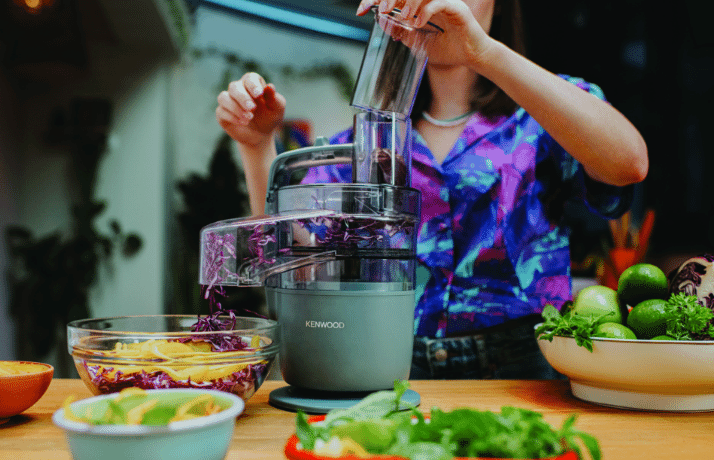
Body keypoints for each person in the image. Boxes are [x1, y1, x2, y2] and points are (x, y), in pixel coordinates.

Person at [215, 0, 648, 379]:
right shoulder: (364, 145)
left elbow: (628, 163)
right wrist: (258, 147)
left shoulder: (541, 117)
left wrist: (482, 51)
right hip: (395, 361)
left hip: (527, 365)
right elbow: (286, 259)